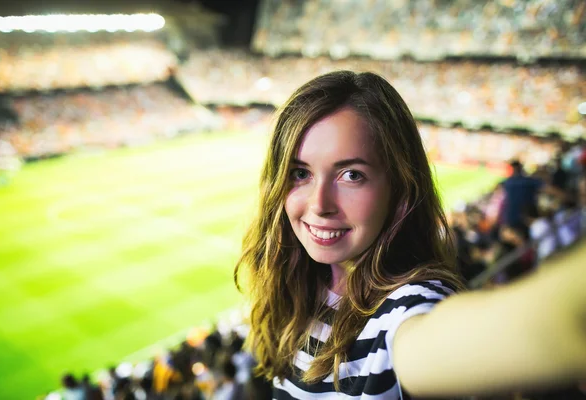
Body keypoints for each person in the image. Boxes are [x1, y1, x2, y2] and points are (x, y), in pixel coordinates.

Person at [234, 71, 586, 399]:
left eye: (352, 175)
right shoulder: (300, 291)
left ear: (400, 188)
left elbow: (549, 324)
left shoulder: (407, 311)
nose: (319, 204)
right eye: (300, 173)